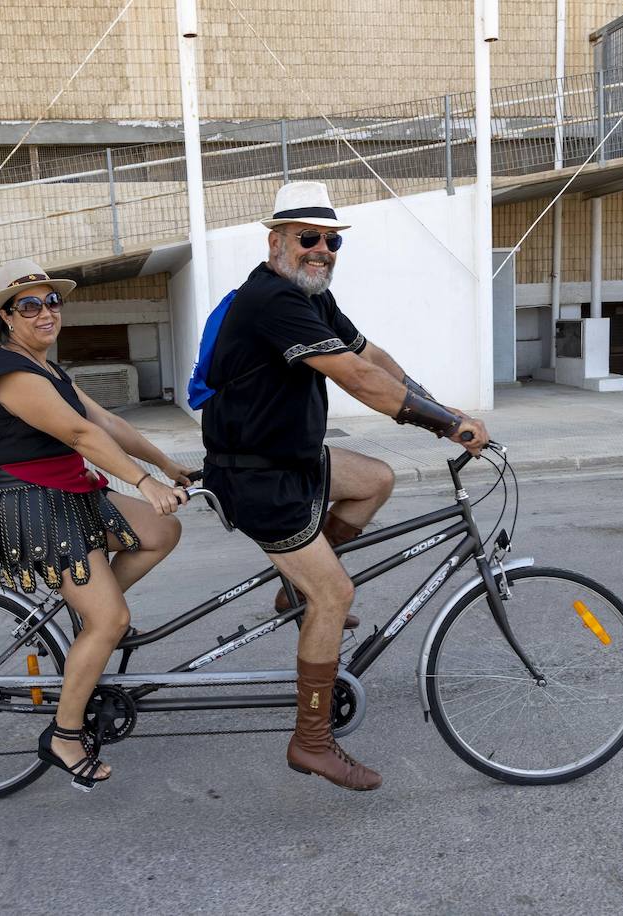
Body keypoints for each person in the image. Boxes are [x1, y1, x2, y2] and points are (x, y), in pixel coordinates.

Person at [199, 182, 489, 791]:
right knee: (335, 594)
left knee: (374, 480)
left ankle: (293, 591)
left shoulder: (309, 297)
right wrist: (444, 425)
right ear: (275, 240)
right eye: (309, 238)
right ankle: (311, 739)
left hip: (293, 459)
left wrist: (441, 404)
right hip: (258, 476)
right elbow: (357, 377)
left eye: (332, 240)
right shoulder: (271, 299)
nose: (322, 249)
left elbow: (370, 353)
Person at [0, 258, 193, 789]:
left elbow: (108, 423)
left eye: (52, 301)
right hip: (33, 506)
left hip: (70, 493)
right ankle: (64, 735)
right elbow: (79, 435)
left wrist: (168, 464)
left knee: (161, 531)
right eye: (30, 304)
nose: (46, 311)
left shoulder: (49, 369)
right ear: (7, 317)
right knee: (110, 620)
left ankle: (92, 621)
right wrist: (144, 484)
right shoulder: (11, 375)